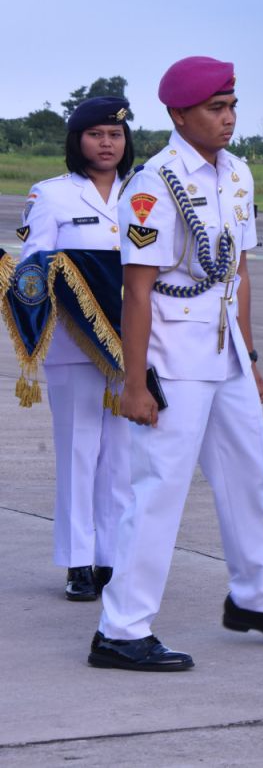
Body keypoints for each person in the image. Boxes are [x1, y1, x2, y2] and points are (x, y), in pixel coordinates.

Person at [92, 56, 263, 673]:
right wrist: (133, 382)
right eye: (216, 109)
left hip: (226, 355)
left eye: (232, 107)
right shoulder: (153, 185)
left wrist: (250, 354)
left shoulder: (238, 173)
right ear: (178, 115)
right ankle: (121, 628)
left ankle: (255, 599)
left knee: (250, 478)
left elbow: (239, 274)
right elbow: (135, 292)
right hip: (173, 354)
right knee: (158, 489)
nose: (229, 119)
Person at [19, 96, 133, 602]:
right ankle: (78, 562)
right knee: (77, 452)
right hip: (74, 343)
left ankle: (114, 556)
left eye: (116, 135)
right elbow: (32, 268)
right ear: (77, 140)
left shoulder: (143, 193)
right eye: (96, 134)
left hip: (136, 345)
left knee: (123, 459)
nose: (107, 144)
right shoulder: (51, 196)